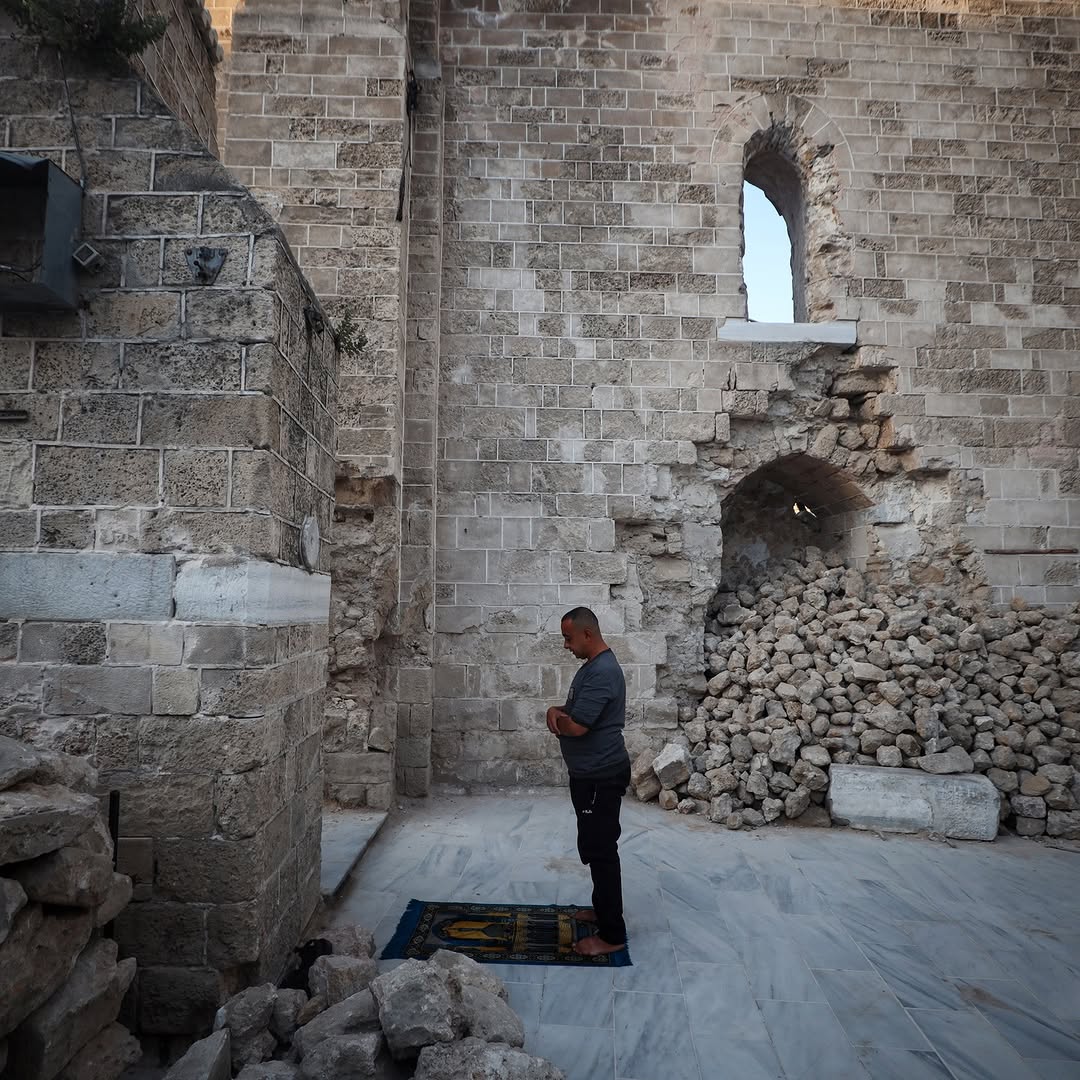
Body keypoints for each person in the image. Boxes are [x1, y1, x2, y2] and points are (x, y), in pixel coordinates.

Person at [545, 606, 631, 956]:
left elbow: (577, 725)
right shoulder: (591, 669)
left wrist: (557, 720)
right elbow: (569, 712)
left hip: (602, 776)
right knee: (595, 849)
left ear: (587, 635)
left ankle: (612, 934)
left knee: (602, 851)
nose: (566, 645)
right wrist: (555, 713)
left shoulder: (602, 673)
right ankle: (602, 910)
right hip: (590, 775)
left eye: (568, 638)